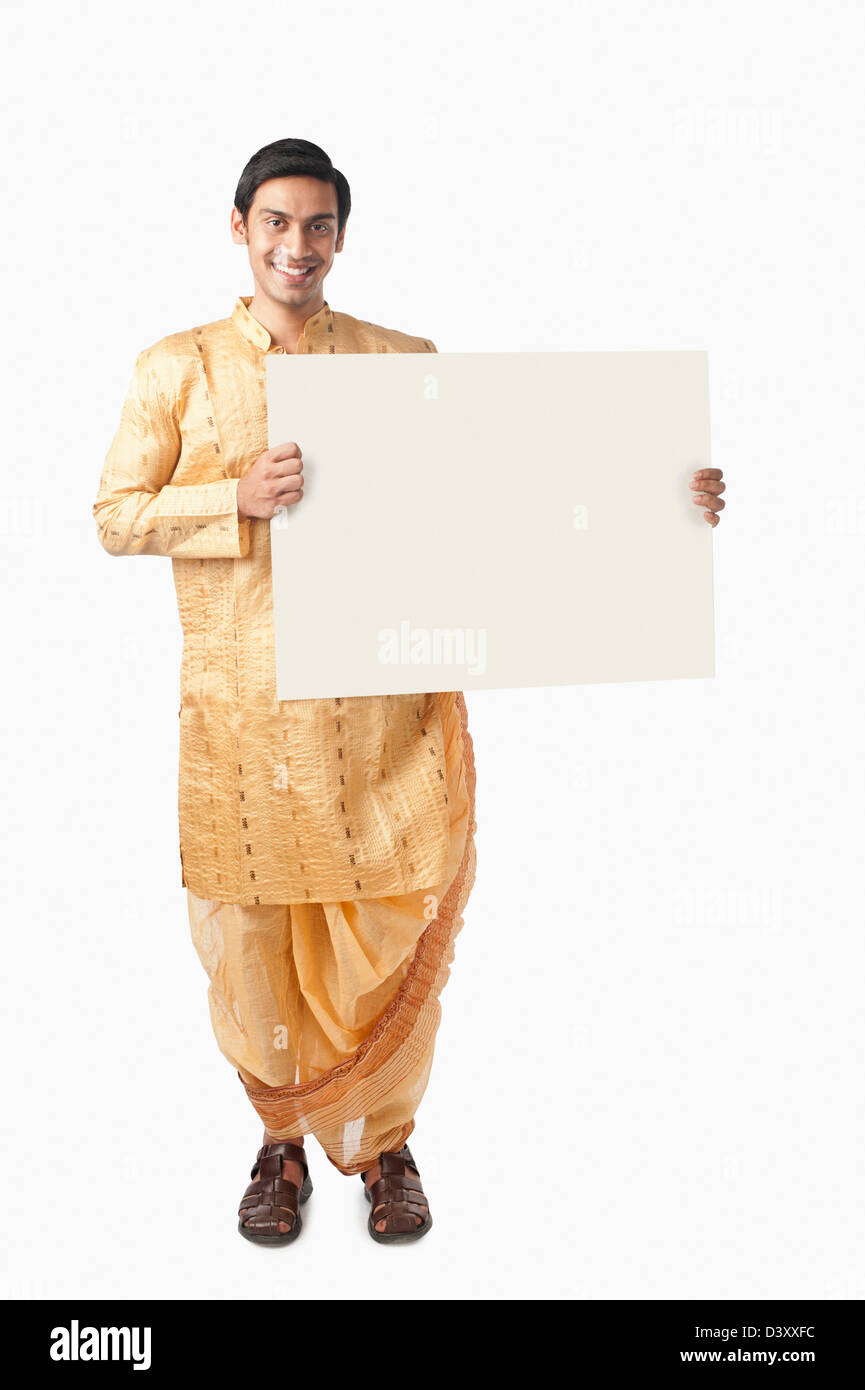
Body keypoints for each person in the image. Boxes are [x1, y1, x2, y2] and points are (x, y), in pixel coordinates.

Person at [93, 137, 726, 1248]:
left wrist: (656, 499)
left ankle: (385, 1147)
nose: (299, 245)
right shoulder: (173, 368)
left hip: (378, 724)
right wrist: (229, 496)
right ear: (236, 228)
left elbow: (498, 498)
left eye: (320, 224)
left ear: (341, 236)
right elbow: (113, 515)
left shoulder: (399, 362)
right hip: (238, 725)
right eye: (277, 222)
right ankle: (280, 1145)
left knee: (385, 925)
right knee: (255, 939)